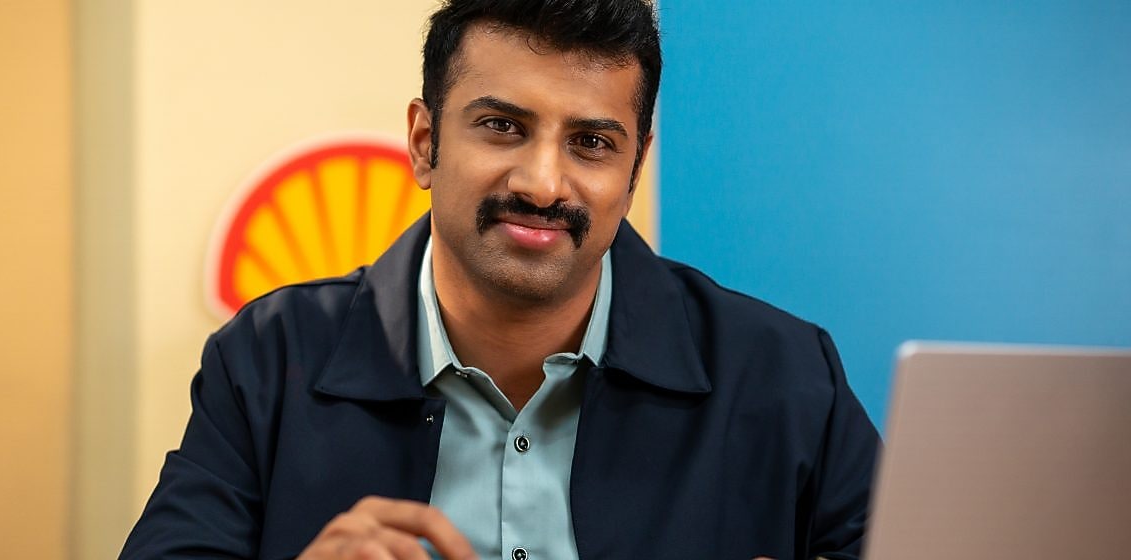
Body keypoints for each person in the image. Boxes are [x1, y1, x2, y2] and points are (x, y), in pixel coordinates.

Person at [120, 0, 880, 559]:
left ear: (634, 167)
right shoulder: (266, 359)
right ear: (425, 143)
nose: (543, 183)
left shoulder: (785, 374)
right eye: (502, 127)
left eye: (591, 142)